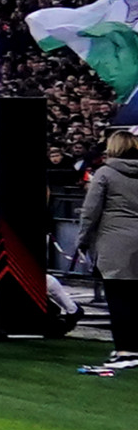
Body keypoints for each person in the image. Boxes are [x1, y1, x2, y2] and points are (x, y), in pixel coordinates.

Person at [74, 129, 138, 378]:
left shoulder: (106, 174)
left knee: (119, 297)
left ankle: (125, 350)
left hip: (115, 243)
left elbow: (90, 212)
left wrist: (82, 241)